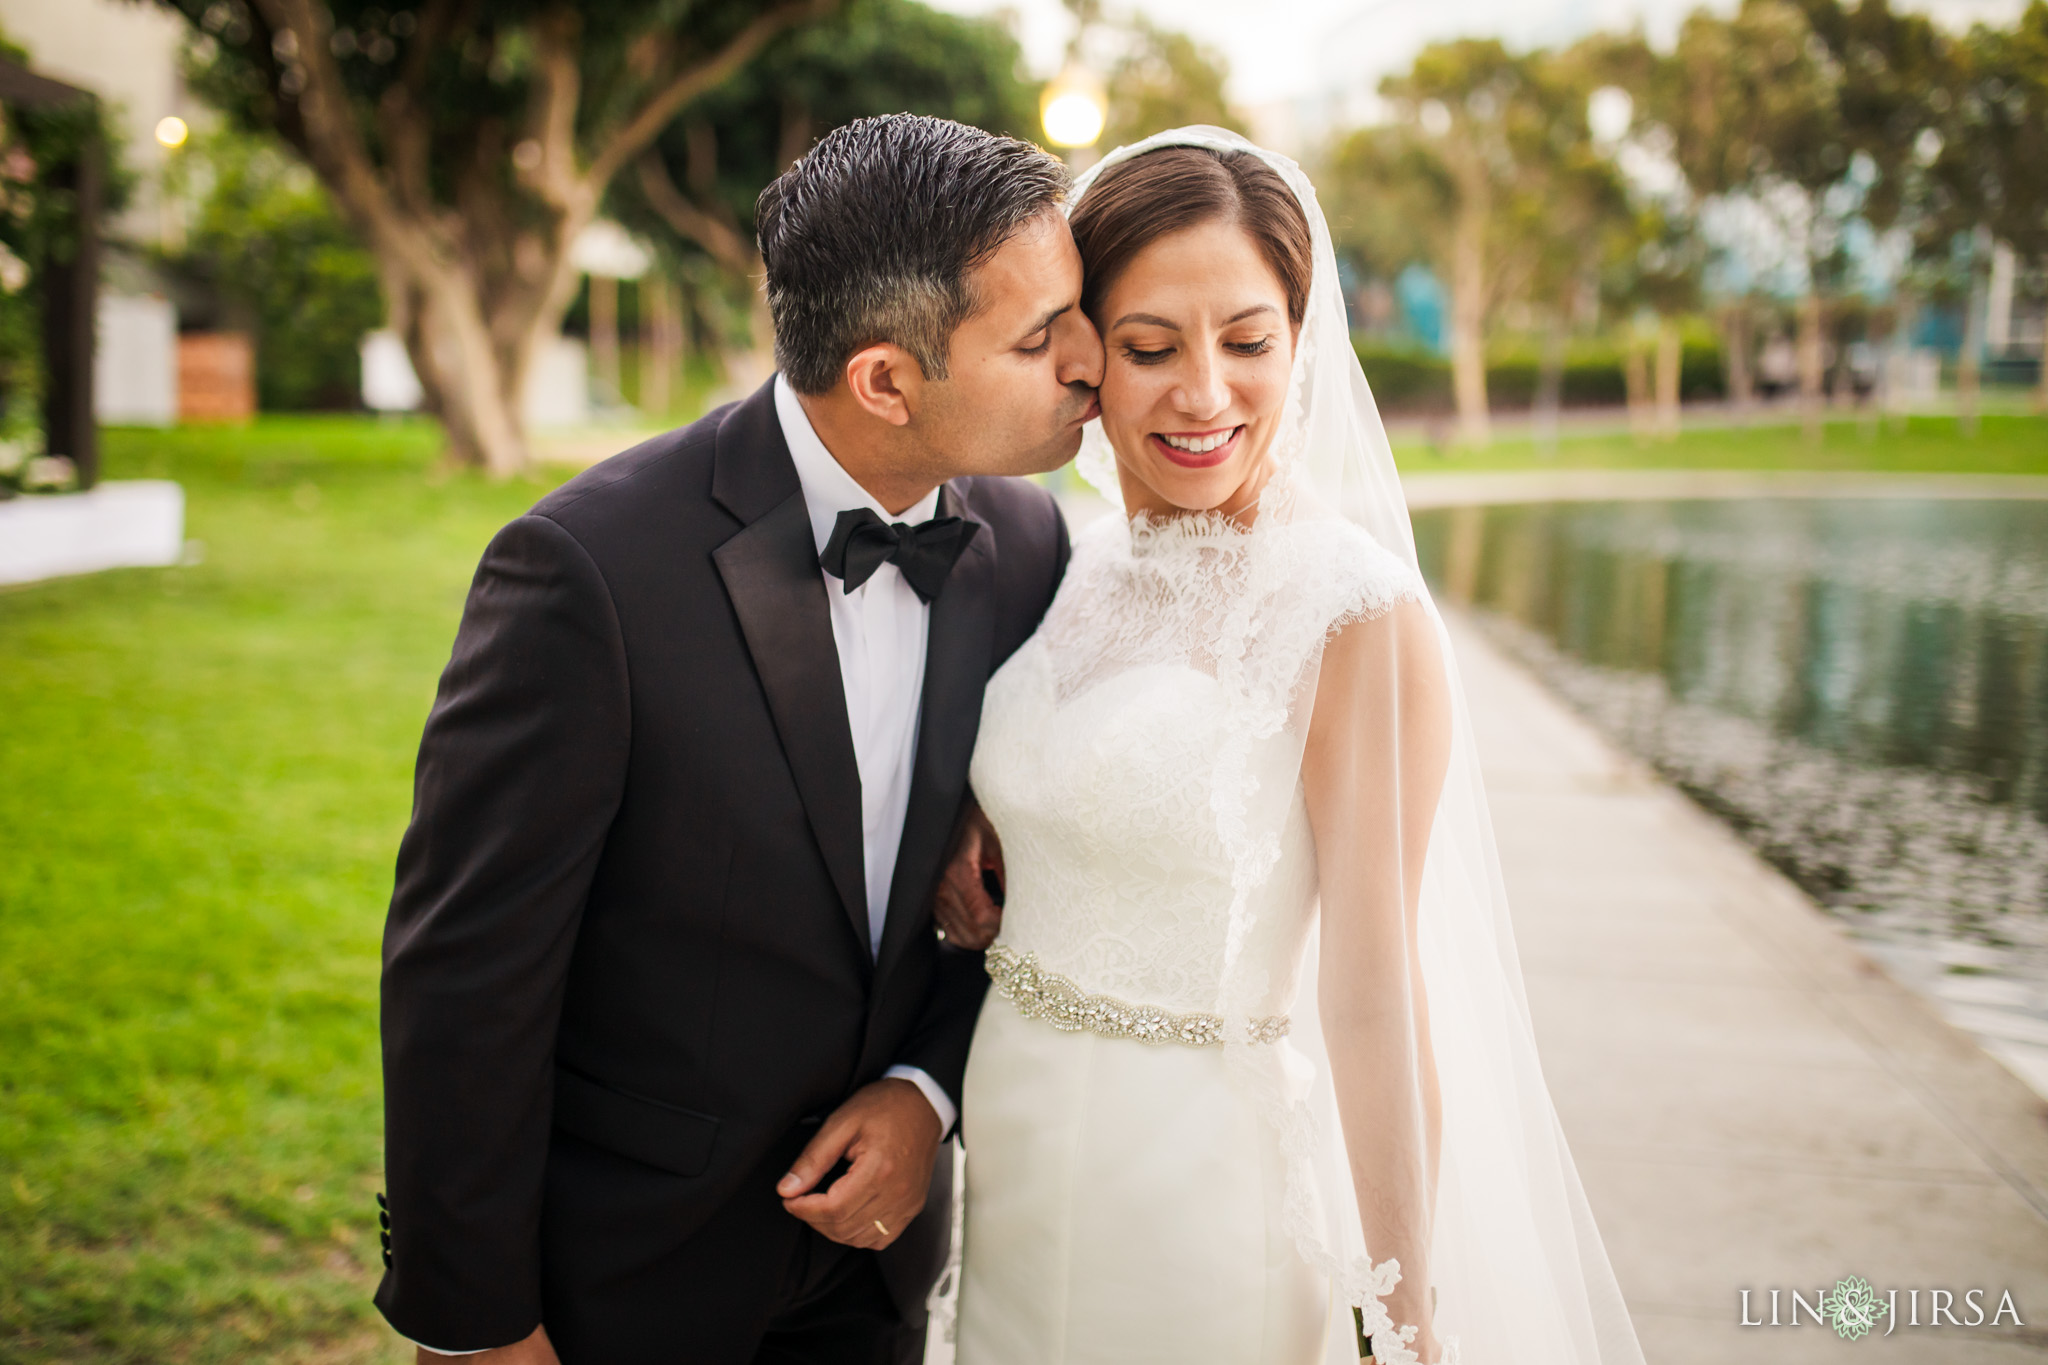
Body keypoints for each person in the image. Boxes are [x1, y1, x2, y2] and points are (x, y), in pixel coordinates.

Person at [373, 114, 1102, 1365]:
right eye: (1039, 337)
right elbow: (465, 978)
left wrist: (928, 1092)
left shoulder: (1028, 548)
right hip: (623, 1277)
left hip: (877, 1281)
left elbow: (1034, 889)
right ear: (885, 379)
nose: (1091, 359)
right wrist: (478, 1330)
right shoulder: (585, 575)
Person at [931, 129, 1650, 1365]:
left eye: (1248, 342)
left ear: (1301, 345)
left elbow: (1373, 992)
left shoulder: (1348, 611)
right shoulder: (1075, 560)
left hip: (1197, 1192)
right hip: (1011, 1154)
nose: (1202, 393)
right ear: (1085, 349)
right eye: (1150, 348)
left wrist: (1400, 1313)